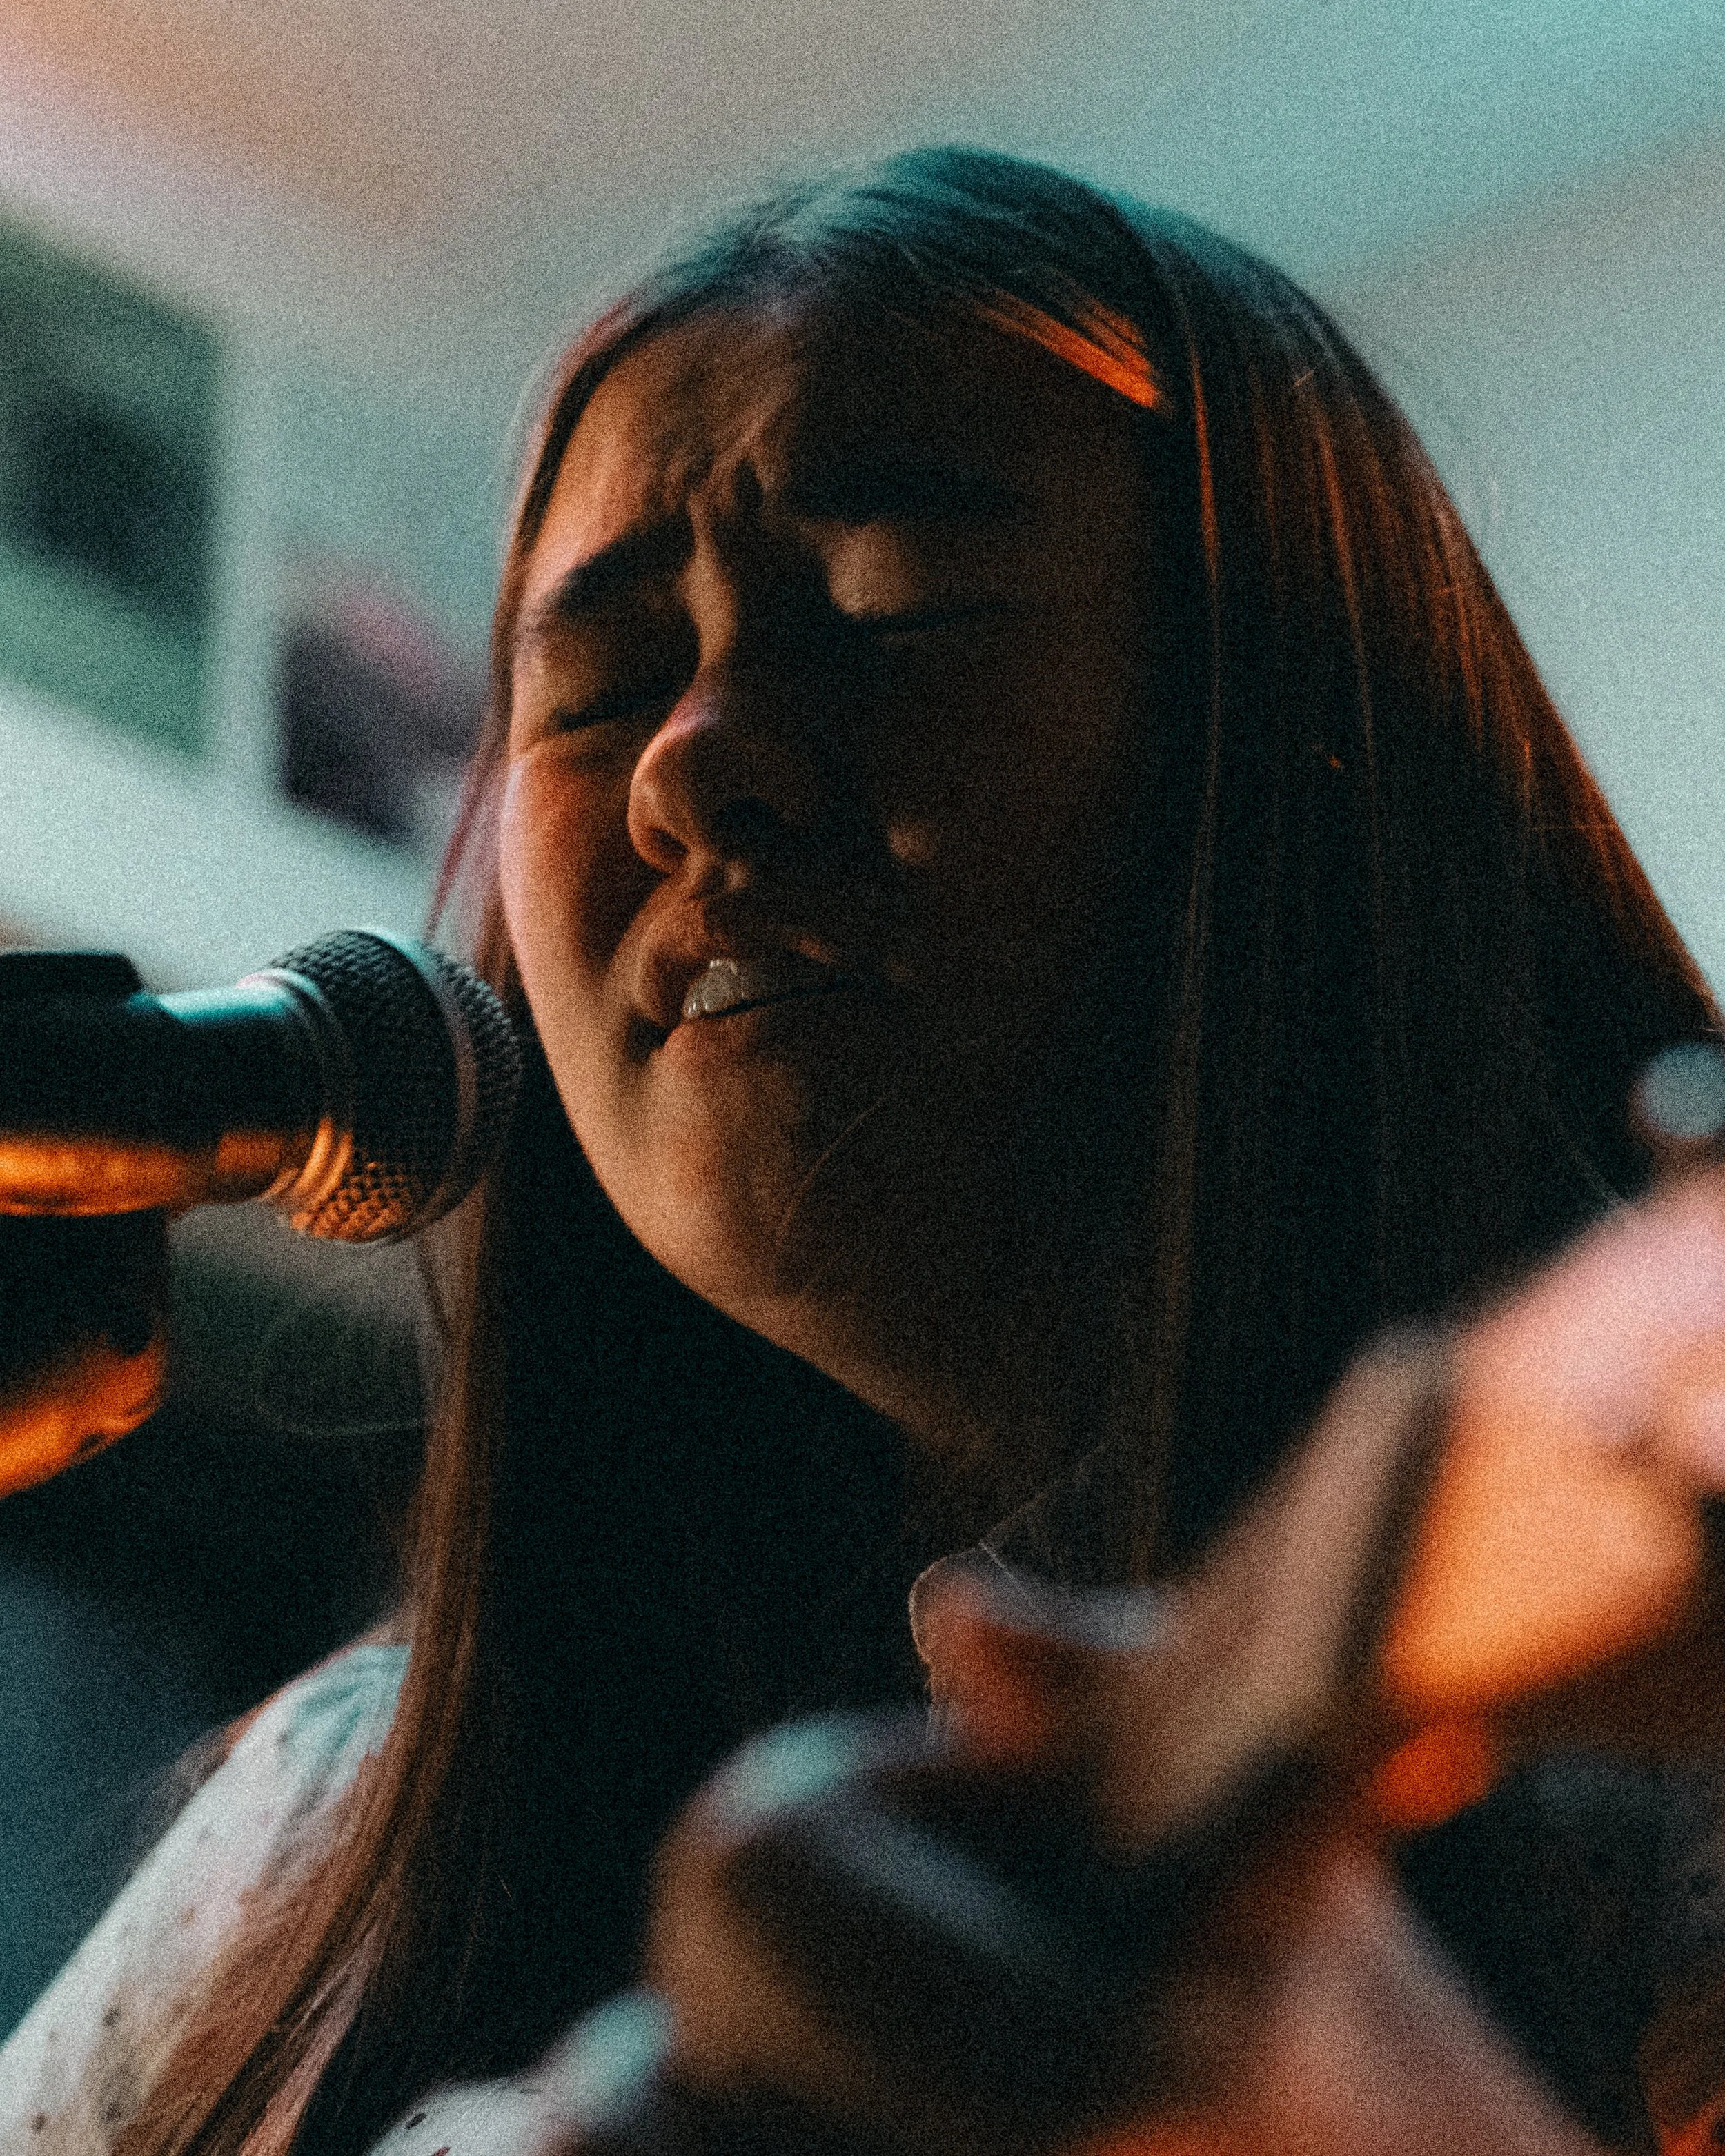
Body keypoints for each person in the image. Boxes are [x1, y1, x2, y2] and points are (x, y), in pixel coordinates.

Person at [3, 144, 1725, 2156]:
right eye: (604, 684)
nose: (692, 757)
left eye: (903, 603)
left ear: (1318, 746)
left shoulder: (1659, 1799)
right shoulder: (331, 1826)